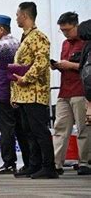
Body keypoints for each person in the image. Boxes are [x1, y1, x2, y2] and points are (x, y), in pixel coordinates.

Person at [11, 2, 58, 179]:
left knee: (40, 131)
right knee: (28, 131)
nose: (16, 18)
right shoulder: (25, 38)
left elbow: (41, 62)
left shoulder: (39, 37)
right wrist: (15, 92)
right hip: (23, 94)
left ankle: (49, 167)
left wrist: (26, 78)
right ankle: (34, 164)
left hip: (35, 92)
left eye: (17, 15)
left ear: (24, 15)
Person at [0, 15, 30, 174]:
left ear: (1, 29)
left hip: (3, 92)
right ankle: (29, 162)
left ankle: (9, 162)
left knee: (6, 129)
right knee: (21, 128)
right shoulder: (19, 43)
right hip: (18, 91)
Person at [51, 12, 90, 175]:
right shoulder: (65, 44)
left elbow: (86, 67)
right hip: (64, 91)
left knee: (83, 129)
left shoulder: (86, 43)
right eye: (62, 30)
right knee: (60, 128)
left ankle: (84, 162)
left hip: (80, 91)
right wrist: (58, 65)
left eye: (67, 29)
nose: (66, 33)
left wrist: (70, 65)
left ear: (76, 26)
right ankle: (55, 163)